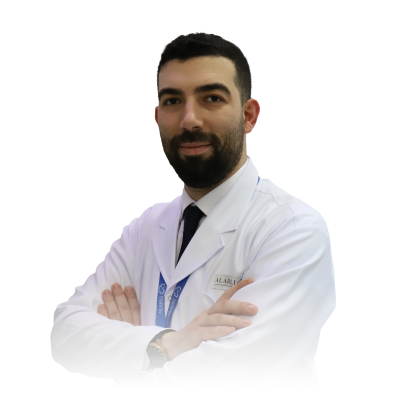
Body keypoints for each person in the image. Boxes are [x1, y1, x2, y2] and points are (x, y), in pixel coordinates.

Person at [51, 33, 336, 389]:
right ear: (158, 117)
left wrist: (126, 362)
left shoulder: (292, 230)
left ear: (248, 116)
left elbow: (231, 382)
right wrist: (167, 344)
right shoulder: (145, 229)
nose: (189, 120)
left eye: (212, 98)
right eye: (173, 101)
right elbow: (65, 334)